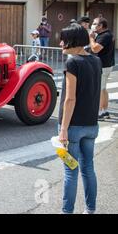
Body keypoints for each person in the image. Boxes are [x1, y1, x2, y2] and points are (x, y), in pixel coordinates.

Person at [58, 23, 102, 214]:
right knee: (88, 169)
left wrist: (63, 129)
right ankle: (90, 210)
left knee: (70, 171)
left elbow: (70, 98)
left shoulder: (72, 62)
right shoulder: (96, 61)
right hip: (91, 125)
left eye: (63, 39)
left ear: (72, 41)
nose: (60, 43)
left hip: (73, 127)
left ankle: (67, 211)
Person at [89, 17, 116, 120]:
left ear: (100, 26)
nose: (93, 25)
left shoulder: (104, 36)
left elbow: (95, 49)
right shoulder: (107, 34)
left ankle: (100, 111)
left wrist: (91, 38)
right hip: (107, 65)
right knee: (103, 88)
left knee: (100, 89)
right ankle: (104, 110)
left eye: (95, 23)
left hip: (102, 66)